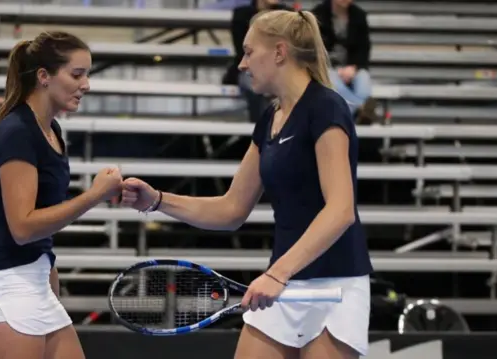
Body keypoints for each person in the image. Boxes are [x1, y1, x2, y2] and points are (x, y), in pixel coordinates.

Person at [122, 9, 372, 359]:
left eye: (249, 51)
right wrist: (157, 200)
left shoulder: (327, 107)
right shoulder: (270, 117)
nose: (242, 63)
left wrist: (277, 273)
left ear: (280, 52)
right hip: (282, 284)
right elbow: (231, 209)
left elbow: (341, 210)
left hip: (335, 286)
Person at [0, 31, 123, 359]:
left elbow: (38, 227)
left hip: (34, 280)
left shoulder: (51, 130)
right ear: (43, 77)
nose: (87, 84)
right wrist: (94, 196)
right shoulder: (17, 132)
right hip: (5, 286)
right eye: (77, 74)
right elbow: (22, 228)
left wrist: (47, 272)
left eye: (87, 75)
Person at [223, 0, 292, 123]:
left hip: (281, 68)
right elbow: (243, 51)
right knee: (258, 83)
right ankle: (263, 130)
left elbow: (290, 50)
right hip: (250, 68)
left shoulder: (288, 15)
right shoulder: (242, 15)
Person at [311, 0, 379, 124]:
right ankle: (362, 109)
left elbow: (364, 48)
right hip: (327, 66)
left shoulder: (359, 15)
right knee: (332, 81)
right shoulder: (318, 14)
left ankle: (356, 113)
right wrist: (336, 68)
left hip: (353, 66)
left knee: (363, 80)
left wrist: (354, 67)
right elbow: (314, 49)